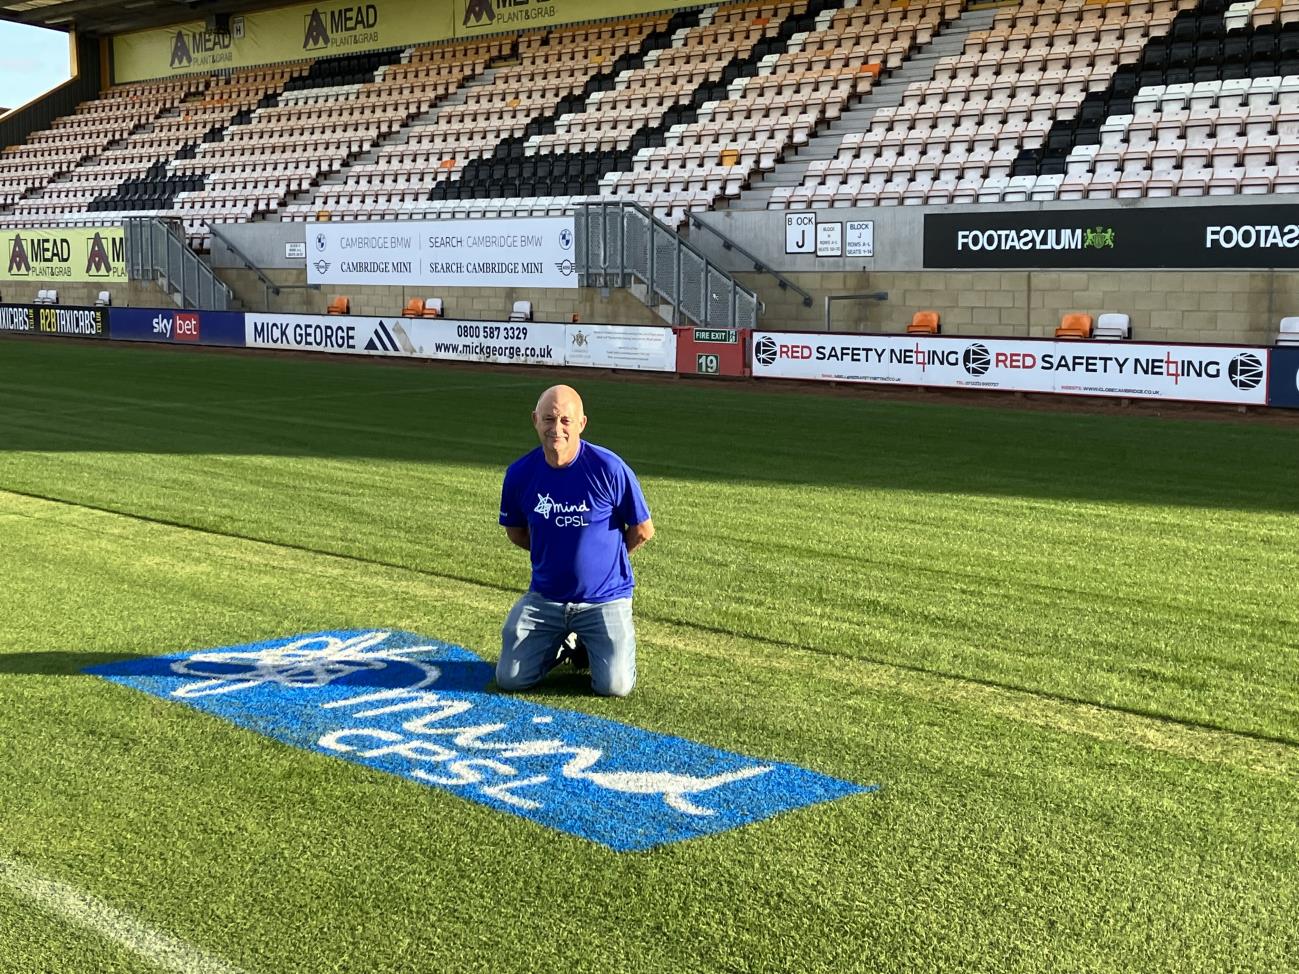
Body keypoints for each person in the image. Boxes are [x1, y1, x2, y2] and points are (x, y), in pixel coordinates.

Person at [496, 384, 654, 697]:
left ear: (581, 424)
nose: (557, 429)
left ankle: (597, 642)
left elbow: (643, 529)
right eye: (549, 419)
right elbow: (516, 531)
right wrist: (555, 547)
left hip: (604, 598)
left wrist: (610, 560)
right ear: (535, 420)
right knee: (510, 679)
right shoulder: (519, 474)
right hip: (546, 598)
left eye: (566, 421)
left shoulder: (609, 468)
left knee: (615, 686)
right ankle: (566, 641)